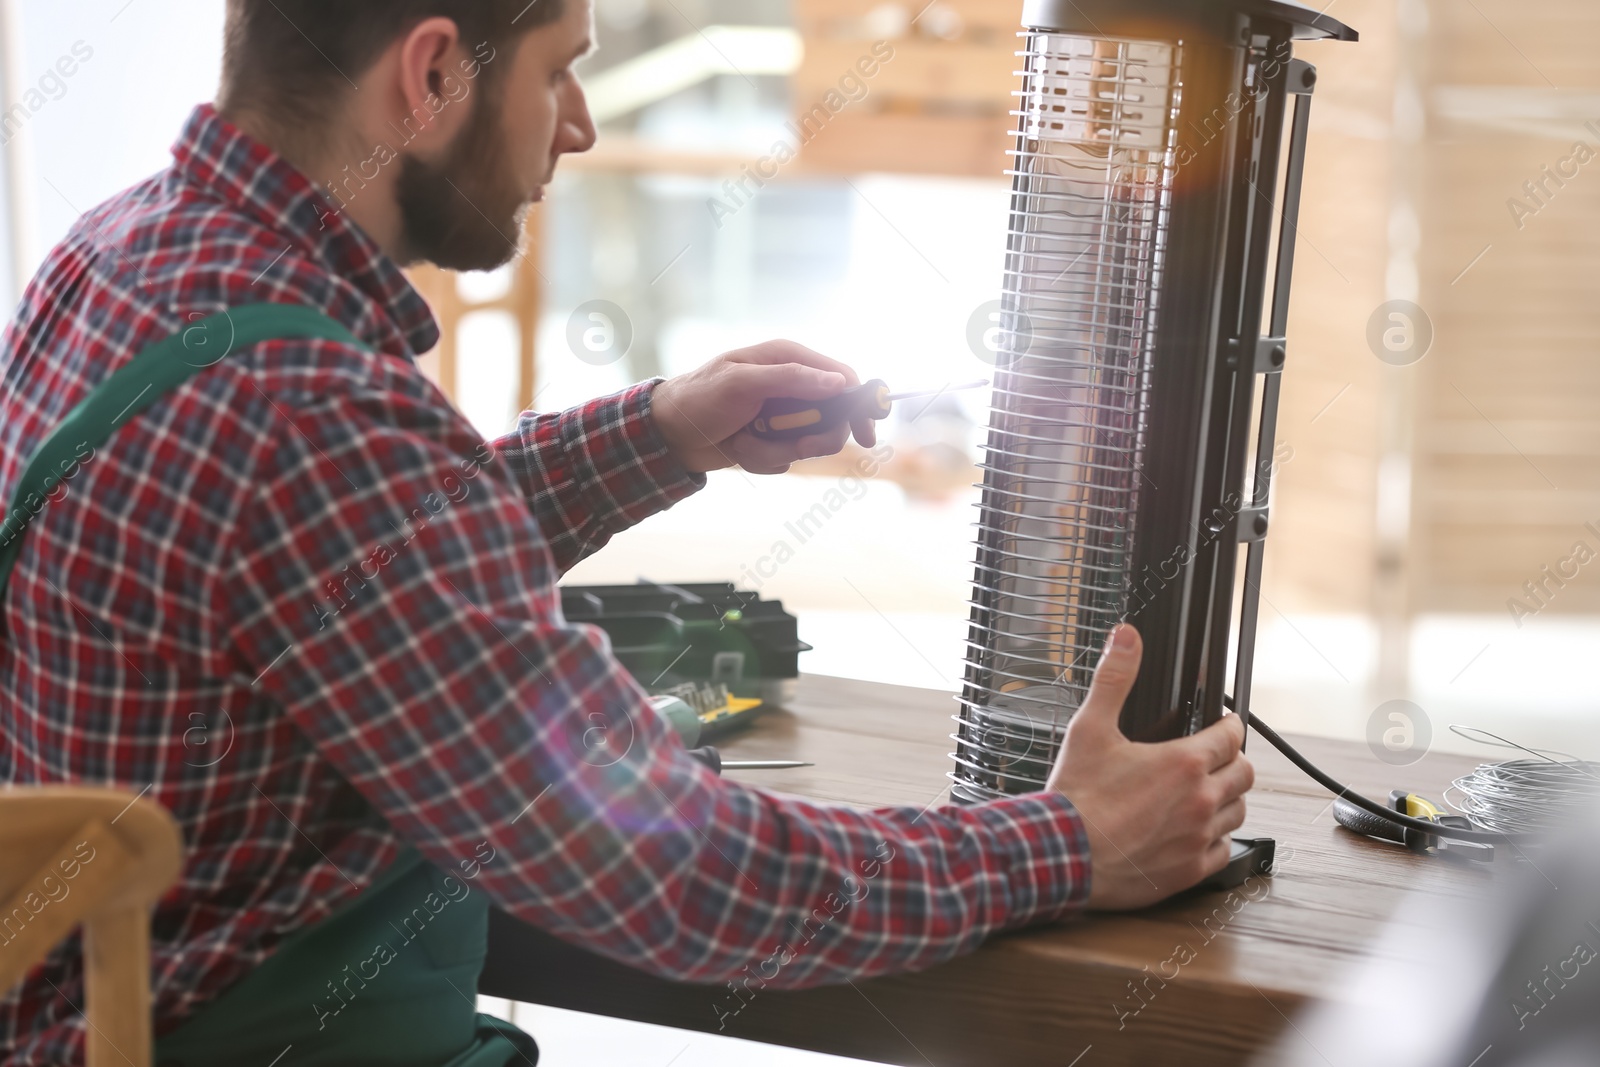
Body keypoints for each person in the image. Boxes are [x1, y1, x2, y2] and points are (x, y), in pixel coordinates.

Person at [0, 1, 1254, 1063]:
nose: (580, 126)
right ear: (433, 76)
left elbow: (344, 567)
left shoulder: (120, 253)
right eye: (561, 70)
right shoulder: (323, 420)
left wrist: (656, 433)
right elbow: (683, 881)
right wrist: (1066, 840)